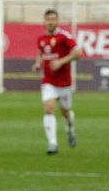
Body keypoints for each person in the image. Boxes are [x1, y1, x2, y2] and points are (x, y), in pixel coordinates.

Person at [32, 8, 81, 155]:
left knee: (65, 112)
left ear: (57, 21)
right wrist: (37, 64)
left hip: (64, 82)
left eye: (53, 19)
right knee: (49, 108)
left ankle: (70, 128)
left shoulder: (64, 36)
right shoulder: (41, 39)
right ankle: (52, 143)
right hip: (48, 81)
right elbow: (40, 53)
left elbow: (79, 53)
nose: (50, 22)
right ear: (44, 21)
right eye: (48, 19)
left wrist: (61, 61)